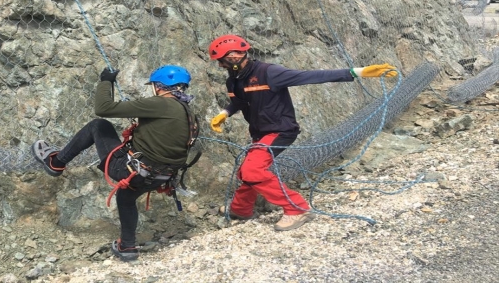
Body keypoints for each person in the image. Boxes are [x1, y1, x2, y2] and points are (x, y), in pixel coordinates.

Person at [207, 34, 397, 231]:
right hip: (260, 133)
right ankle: (241, 209)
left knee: (252, 170)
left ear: (235, 56)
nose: (221, 66)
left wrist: (359, 72)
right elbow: (238, 101)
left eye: (223, 61)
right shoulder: (234, 81)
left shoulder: (269, 73)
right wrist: (225, 113)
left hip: (281, 130)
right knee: (247, 170)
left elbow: (310, 76)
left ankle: (297, 209)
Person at [31, 65, 198, 261]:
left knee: (98, 126)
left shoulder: (160, 104)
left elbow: (103, 109)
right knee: (126, 197)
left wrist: (106, 82)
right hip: (160, 176)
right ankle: (127, 247)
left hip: (132, 170)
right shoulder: (188, 112)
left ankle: (56, 163)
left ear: (159, 86)